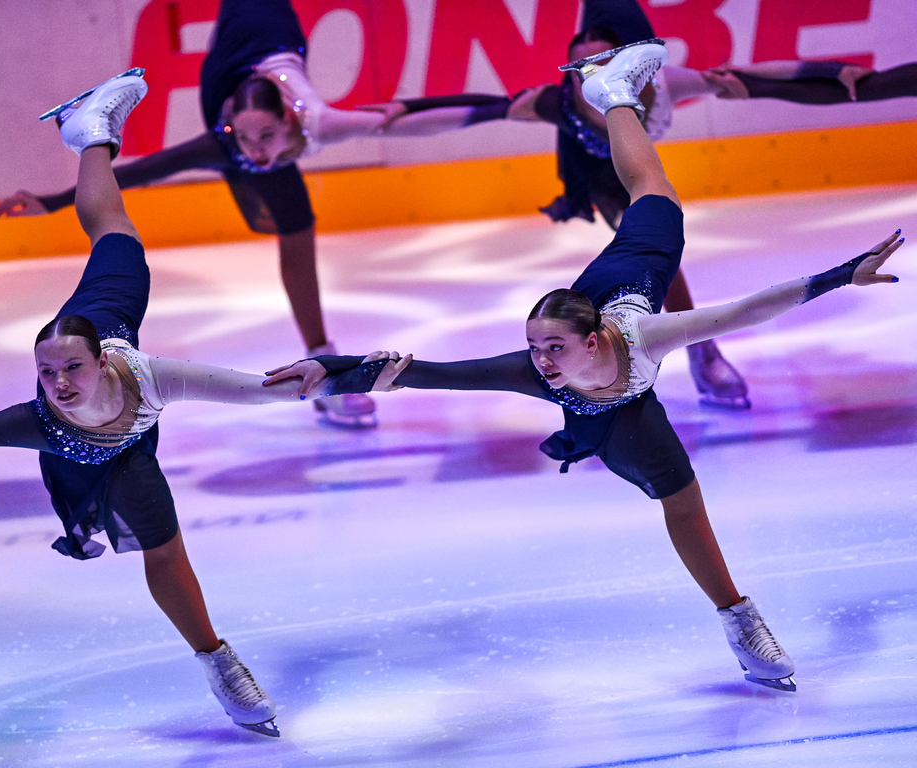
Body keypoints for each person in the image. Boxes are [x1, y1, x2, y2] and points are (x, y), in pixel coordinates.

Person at [266, 42, 905, 691]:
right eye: (536, 349)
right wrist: (323, 374)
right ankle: (616, 92)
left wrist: (841, 276)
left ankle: (738, 619)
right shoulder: (536, 367)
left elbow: (745, 310)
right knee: (671, 486)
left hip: (633, 275)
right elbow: (417, 372)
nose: (541, 364)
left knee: (657, 201)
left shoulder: (651, 334)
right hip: (605, 392)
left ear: (596, 342)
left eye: (553, 350)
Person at [0, 73, 393, 736]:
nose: (59, 384)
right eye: (46, 374)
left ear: (101, 359)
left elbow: (253, 390)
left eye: (70, 369)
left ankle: (90, 131)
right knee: (161, 542)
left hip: (106, 330)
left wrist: (339, 377)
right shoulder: (41, 418)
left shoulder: (150, 375)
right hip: (92, 457)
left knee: (118, 237)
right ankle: (220, 662)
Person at [378, 0, 916, 409]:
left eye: (602, 67)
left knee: (661, 246)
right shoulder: (555, 103)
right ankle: (704, 352)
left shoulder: (666, 82)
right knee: (659, 261)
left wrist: (827, 71)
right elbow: (478, 111)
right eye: (580, 71)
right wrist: (404, 107)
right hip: (602, 179)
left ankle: (701, 351)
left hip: (636, 164)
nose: (588, 79)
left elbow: (745, 81)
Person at [0, 0, 482, 428]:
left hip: (266, 29)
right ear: (231, 127)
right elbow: (146, 170)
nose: (260, 152)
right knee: (274, 211)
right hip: (228, 72)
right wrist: (52, 202)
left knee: (295, 225)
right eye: (247, 140)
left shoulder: (318, 122)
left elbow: (408, 118)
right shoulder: (230, 142)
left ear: (288, 120)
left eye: (267, 139)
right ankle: (320, 356)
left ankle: (318, 353)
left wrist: (509, 106)